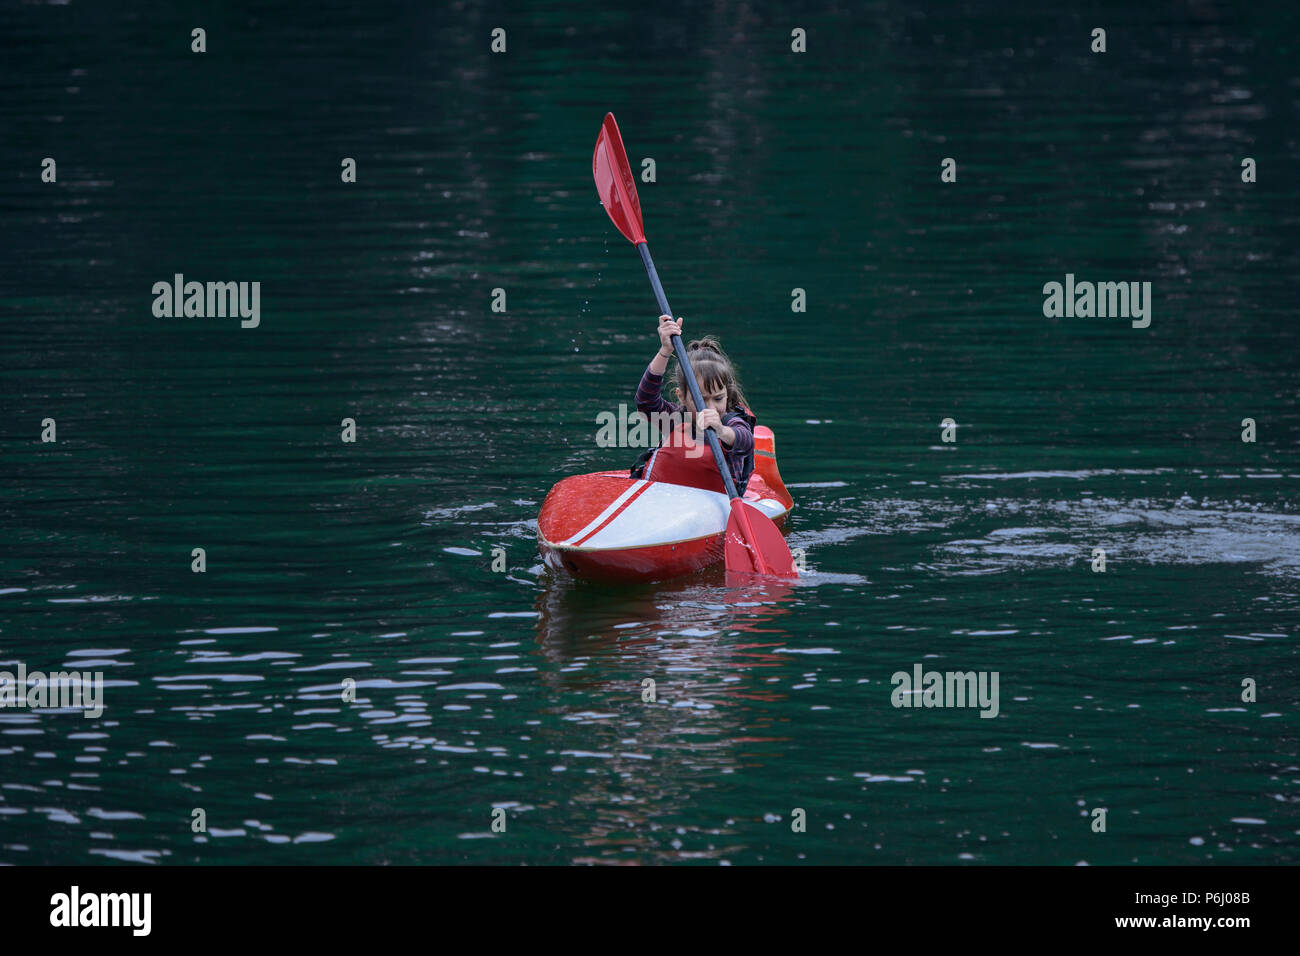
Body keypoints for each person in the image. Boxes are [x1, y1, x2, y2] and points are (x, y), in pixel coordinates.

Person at [631, 314, 756, 494]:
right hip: (666, 500)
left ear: (727, 394)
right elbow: (645, 401)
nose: (710, 408)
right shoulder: (676, 419)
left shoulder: (732, 422)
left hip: (716, 503)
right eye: (700, 399)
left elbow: (746, 441)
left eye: (718, 398)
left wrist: (721, 431)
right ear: (681, 397)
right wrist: (665, 351)